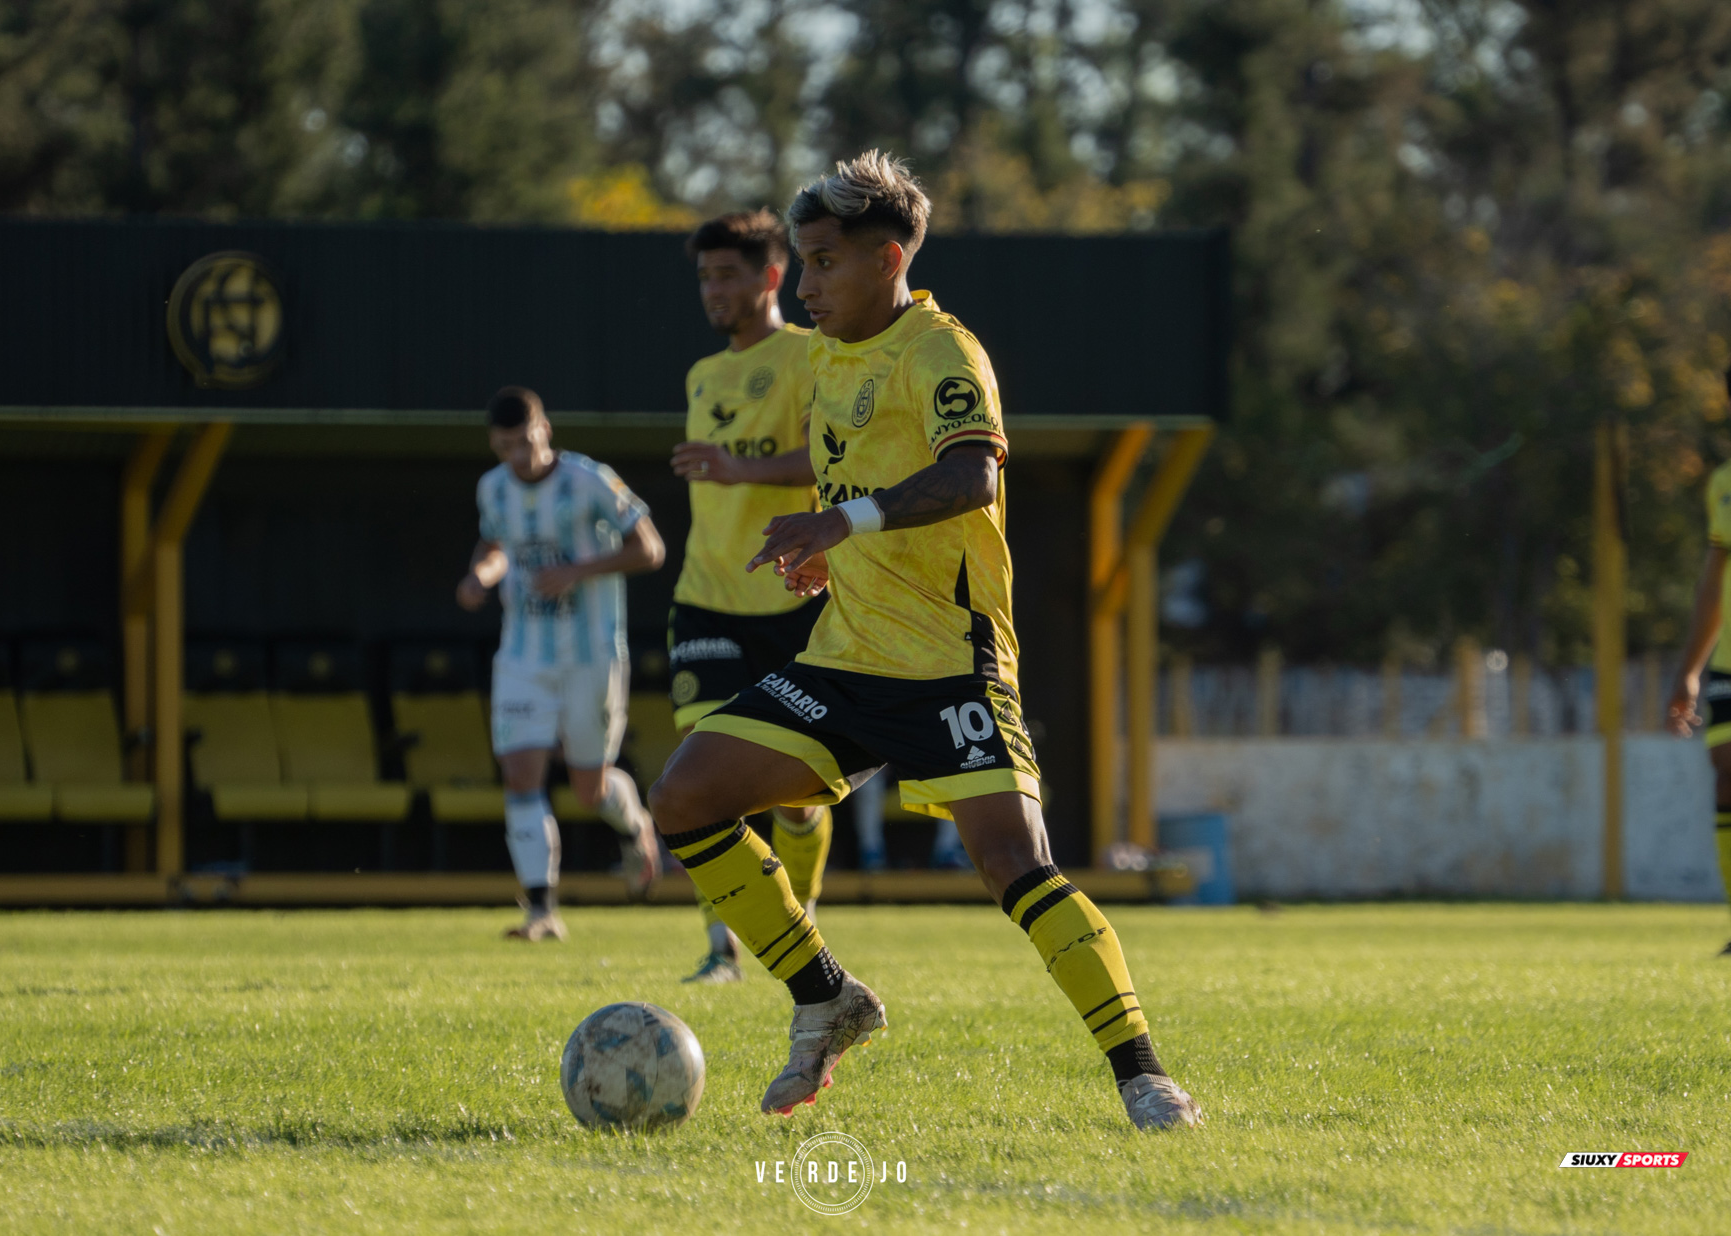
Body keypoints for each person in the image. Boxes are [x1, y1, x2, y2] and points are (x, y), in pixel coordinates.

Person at [645, 151, 1204, 1129]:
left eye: (822, 264)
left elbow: (972, 477)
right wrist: (830, 550)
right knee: (687, 795)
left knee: (1015, 865)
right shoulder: (824, 356)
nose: (807, 285)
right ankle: (824, 997)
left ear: (888, 258)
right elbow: (849, 470)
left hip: (952, 660)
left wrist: (839, 525)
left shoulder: (943, 351)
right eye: (805, 265)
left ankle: (1143, 1075)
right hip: (846, 652)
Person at [666, 210, 838, 983]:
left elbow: (830, 458)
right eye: (703, 277)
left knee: (799, 802)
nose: (712, 290)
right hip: (706, 599)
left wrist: (738, 468)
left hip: (792, 603)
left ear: (771, 277)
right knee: (704, 781)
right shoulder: (702, 373)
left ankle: (794, 933)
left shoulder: (813, 356)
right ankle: (720, 951)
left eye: (727, 274)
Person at [457, 386, 666, 942]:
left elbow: (650, 549)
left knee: (587, 790)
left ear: (544, 429)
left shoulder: (589, 480)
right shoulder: (493, 487)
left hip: (590, 654)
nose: (517, 458)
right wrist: (482, 575)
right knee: (520, 774)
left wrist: (578, 571)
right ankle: (541, 910)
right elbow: (494, 546)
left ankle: (634, 824)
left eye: (524, 443)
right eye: (505, 448)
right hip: (523, 655)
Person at [1662, 425, 1731, 955]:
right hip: (1730, 662)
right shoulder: (1723, 484)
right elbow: (1712, 583)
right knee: (1727, 776)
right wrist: (1690, 668)